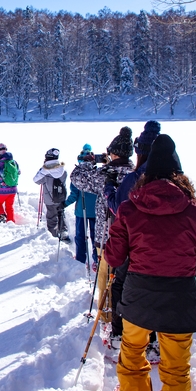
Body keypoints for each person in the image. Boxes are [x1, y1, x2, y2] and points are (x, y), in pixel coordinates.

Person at [104, 134, 196, 391]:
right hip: (180, 299)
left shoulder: (129, 209)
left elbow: (113, 257)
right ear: (179, 175)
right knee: (177, 367)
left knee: (132, 354)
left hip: (138, 296)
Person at [104, 121, 161, 353]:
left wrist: (109, 189)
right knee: (156, 290)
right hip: (163, 247)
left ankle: (120, 333)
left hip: (134, 245)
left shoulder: (136, 178)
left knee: (122, 286)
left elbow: (119, 208)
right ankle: (154, 338)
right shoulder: (176, 178)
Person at [70, 127, 135, 322]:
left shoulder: (106, 175)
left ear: (113, 153)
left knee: (106, 280)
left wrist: (89, 162)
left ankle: (108, 318)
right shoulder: (136, 175)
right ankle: (130, 321)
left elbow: (77, 178)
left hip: (107, 238)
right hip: (134, 240)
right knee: (129, 283)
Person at [64, 145, 97, 263]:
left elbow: (74, 195)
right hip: (96, 211)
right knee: (95, 237)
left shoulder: (77, 176)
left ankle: (81, 258)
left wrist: (64, 204)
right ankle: (97, 259)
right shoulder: (97, 173)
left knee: (80, 236)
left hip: (81, 211)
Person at [33, 148, 70, 243]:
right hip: (61, 197)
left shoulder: (45, 172)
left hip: (49, 199)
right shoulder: (63, 170)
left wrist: (41, 170)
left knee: (51, 216)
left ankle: (53, 235)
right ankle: (63, 233)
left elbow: (36, 180)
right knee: (61, 213)